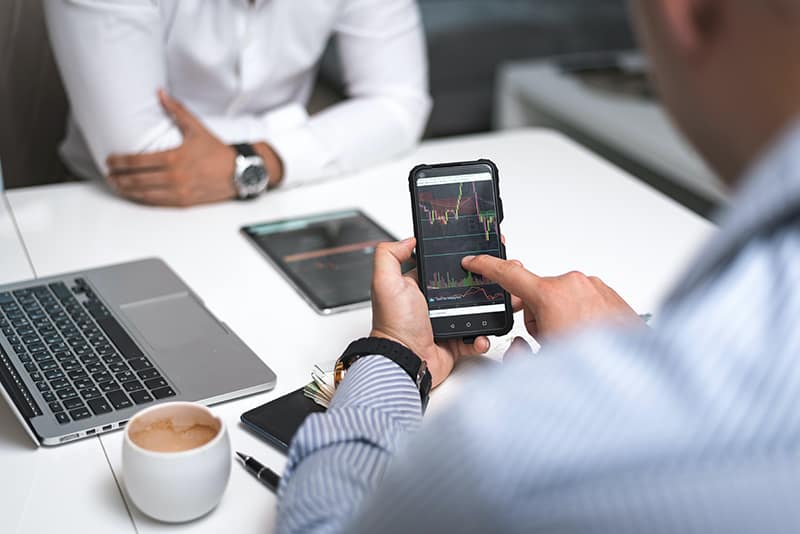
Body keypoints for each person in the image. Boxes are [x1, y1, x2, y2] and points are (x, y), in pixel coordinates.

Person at [275, 0, 800, 532]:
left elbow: (321, 523)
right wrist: (636, 345)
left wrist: (391, 353)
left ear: (681, 13)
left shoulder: (514, 452)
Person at [44, 1, 430, 206]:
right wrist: (301, 129)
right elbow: (143, 152)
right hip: (115, 208)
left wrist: (263, 160)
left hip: (288, 196)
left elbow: (401, 105)